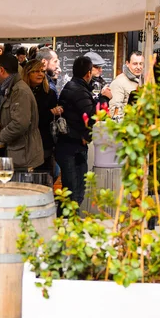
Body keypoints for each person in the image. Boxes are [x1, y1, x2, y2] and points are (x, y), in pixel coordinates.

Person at [56, 56, 97, 206]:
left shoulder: (72, 87)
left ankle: (66, 224)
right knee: (74, 194)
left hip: (71, 145)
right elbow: (92, 115)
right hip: (72, 148)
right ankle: (65, 225)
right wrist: (104, 99)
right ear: (88, 73)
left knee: (73, 192)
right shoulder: (78, 90)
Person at [0, 53, 44, 170]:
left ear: (1, 70)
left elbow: (20, 123)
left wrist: (0, 136)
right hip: (18, 154)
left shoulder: (19, 91)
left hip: (23, 156)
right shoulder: (10, 88)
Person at [22, 59, 61, 176]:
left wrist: (55, 112)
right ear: (28, 73)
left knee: (44, 177)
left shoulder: (50, 93)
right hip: (24, 143)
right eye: (36, 71)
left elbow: (48, 119)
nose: (40, 74)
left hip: (44, 142)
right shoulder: (21, 92)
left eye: (42, 71)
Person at [109, 51, 144, 119]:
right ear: (127, 63)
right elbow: (114, 112)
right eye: (135, 64)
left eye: (141, 64)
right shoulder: (118, 82)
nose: (139, 67)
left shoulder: (144, 80)